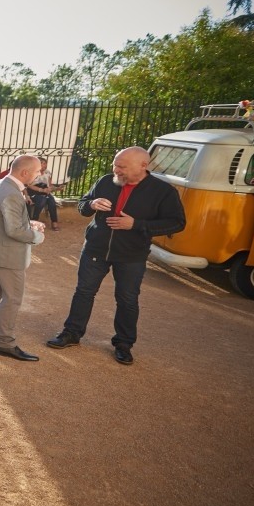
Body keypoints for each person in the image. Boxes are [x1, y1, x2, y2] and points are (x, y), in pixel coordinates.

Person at [47, 146, 185, 365]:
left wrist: (136, 224)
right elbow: (83, 205)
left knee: (127, 299)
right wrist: (91, 204)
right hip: (95, 248)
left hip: (132, 254)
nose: (116, 170)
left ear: (143, 166)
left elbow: (177, 223)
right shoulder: (105, 181)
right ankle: (71, 333)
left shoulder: (163, 191)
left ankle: (123, 344)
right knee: (83, 292)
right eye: (115, 164)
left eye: (122, 166)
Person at [0, 155, 45, 362]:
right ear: (24, 173)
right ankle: (5, 343)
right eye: (37, 171)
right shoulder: (12, 193)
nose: (39, 174)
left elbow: (4, 218)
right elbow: (14, 230)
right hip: (7, 255)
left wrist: (28, 223)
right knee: (12, 298)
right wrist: (37, 236)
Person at [28, 156, 60, 230]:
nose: (45, 165)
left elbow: (49, 185)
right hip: (33, 192)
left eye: (45, 163)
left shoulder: (47, 172)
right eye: (43, 163)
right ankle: (34, 220)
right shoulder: (32, 172)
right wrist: (41, 190)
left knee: (51, 201)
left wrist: (56, 188)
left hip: (44, 192)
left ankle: (54, 222)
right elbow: (29, 185)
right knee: (42, 200)